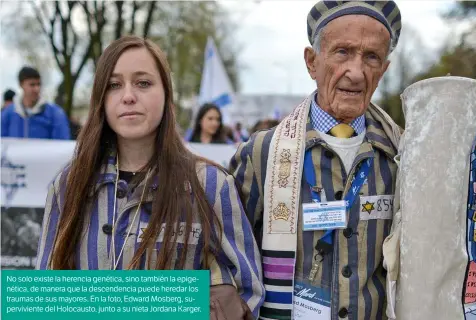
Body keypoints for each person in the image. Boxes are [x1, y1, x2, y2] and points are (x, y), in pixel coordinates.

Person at [35, 36, 264, 318]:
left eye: (143, 83)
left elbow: (247, 294)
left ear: (166, 93)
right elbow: (44, 298)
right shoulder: (68, 186)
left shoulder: (211, 185)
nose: (128, 96)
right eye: (114, 85)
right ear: (101, 99)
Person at [230, 1, 402, 319]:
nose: (356, 71)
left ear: (384, 70)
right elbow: (228, 257)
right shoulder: (261, 154)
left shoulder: (402, 158)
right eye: (342, 52)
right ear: (312, 62)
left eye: (371, 57)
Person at [1, 67, 70, 139]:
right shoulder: (7, 114)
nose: (37, 89)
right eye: (32, 85)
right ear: (21, 85)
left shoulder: (55, 113)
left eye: (39, 84)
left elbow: (62, 144)